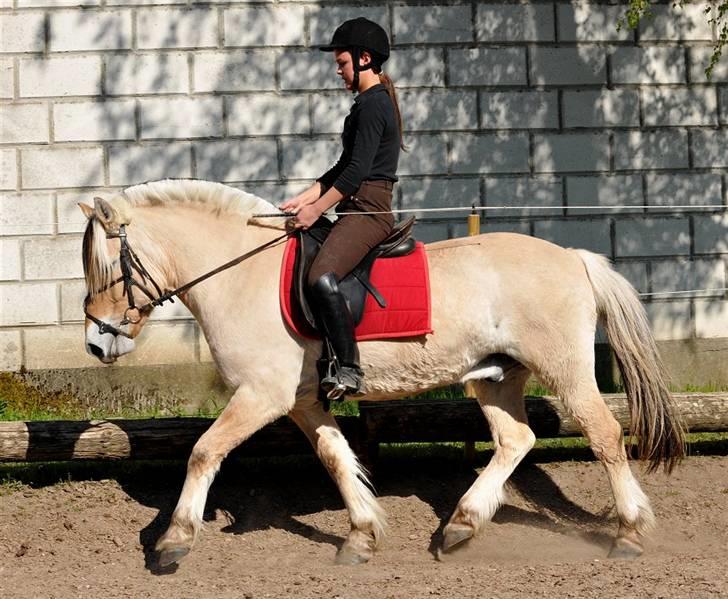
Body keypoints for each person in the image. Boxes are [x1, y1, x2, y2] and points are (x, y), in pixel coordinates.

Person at [280, 17, 405, 399]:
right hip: (353, 205)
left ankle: (348, 367)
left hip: (368, 212)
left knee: (321, 275)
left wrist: (317, 210)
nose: (338, 71)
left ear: (364, 58)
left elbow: (356, 174)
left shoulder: (373, 106)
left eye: (342, 63)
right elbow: (341, 167)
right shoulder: (364, 104)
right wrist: (305, 196)